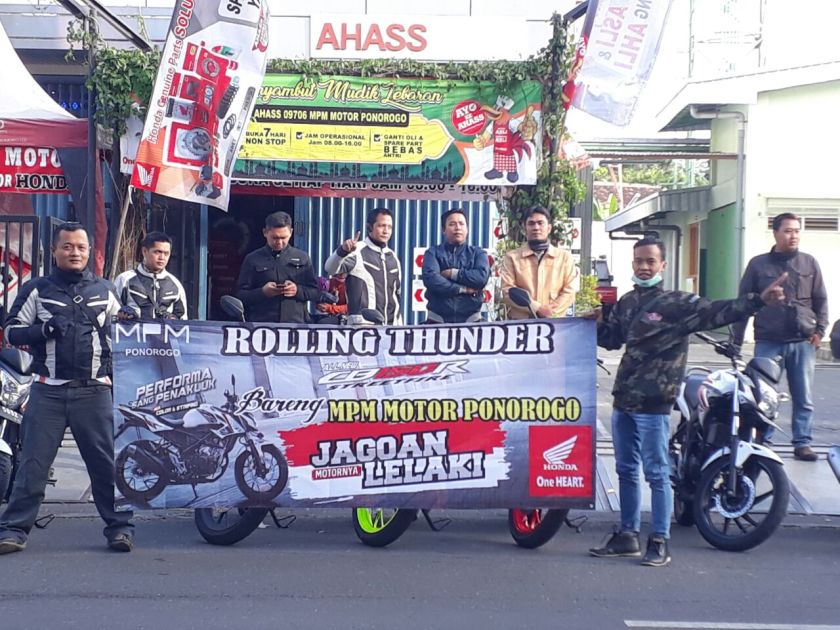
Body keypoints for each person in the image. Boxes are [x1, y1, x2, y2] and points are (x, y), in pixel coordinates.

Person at [587, 237, 786, 567]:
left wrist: (757, 301)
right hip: (623, 399)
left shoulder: (677, 303)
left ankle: (659, 540)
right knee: (626, 470)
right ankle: (627, 535)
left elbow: (718, 311)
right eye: (639, 261)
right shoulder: (627, 302)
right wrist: (595, 324)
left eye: (650, 261)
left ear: (663, 265)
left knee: (657, 472)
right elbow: (612, 339)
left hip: (655, 402)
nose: (644, 267)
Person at [0, 222, 135, 554]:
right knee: (32, 465)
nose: (75, 252)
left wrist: (131, 319)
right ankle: (13, 530)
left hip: (94, 392)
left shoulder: (106, 290)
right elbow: (11, 332)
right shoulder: (36, 289)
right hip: (47, 391)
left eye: (81, 247)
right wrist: (44, 330)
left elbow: (126, 333)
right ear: (55, 251)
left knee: (104, 465)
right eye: (68, 246)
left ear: (89, 251)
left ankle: (120, 528)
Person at [731, 213, 828, 462]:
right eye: (787, 231)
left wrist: (820, 331)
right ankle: (764, 441)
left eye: (796, 231)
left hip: (802, 342)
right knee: (765, 396)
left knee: (803, 397)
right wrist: (735, 341)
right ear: (775, 233)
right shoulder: (758, 265)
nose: (793, 236)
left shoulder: (809, 263)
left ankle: (802, 443)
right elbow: (743, 304)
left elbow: (821, 299)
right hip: (768, 341)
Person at [236, 211, 320, 323]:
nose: (279, 242)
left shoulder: (302, 257)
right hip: (262, 325)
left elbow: (315, 292)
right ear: (265, 233)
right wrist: (263, 292)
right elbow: (241, 294)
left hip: (296, 325)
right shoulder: (252, 259)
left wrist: (297, 290)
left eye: (283, 238)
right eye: (274, 237)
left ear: (291, 232)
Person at [324, 207, 402, 325]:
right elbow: (330, 269)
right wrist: (342, 251)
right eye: (381, 226)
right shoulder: (356, 251)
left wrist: (399, 324)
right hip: (362, 327)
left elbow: (397, 294)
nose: (386, 231)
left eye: (389, 227)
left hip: (390, 328)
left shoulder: (393, 257)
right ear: (369, 227)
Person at [500, 205, 578, 319]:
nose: (536, 227)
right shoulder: (512, 258)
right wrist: (537, 308)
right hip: (522, 325)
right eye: (531, 223)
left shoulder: (564, 258)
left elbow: (570, 291)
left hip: (555, 324)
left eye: (540, 223)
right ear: (524, 228)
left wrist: (551, 311)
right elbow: (507, 291)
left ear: (549, 228)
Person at [421, 208, 490, 323]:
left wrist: (453, 274)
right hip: (437, 321)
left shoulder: (478, 253)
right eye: (452, 224)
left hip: (472, 321)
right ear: (444, 230)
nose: (458, 228)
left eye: (461, 224)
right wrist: (462, 289)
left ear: (467, 229)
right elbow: (432, 280)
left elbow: (481, 278)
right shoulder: (433, 253)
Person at [114, 231, 188, 320]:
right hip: (133, 329)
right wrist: (124, 315)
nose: (162, 257)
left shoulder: (175, 284)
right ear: (144, 251)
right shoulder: (124, 279)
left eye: (166, 253)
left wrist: (172, 319)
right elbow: (112, 313)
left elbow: (183, 321)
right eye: (157, 252)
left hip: (165, 329)